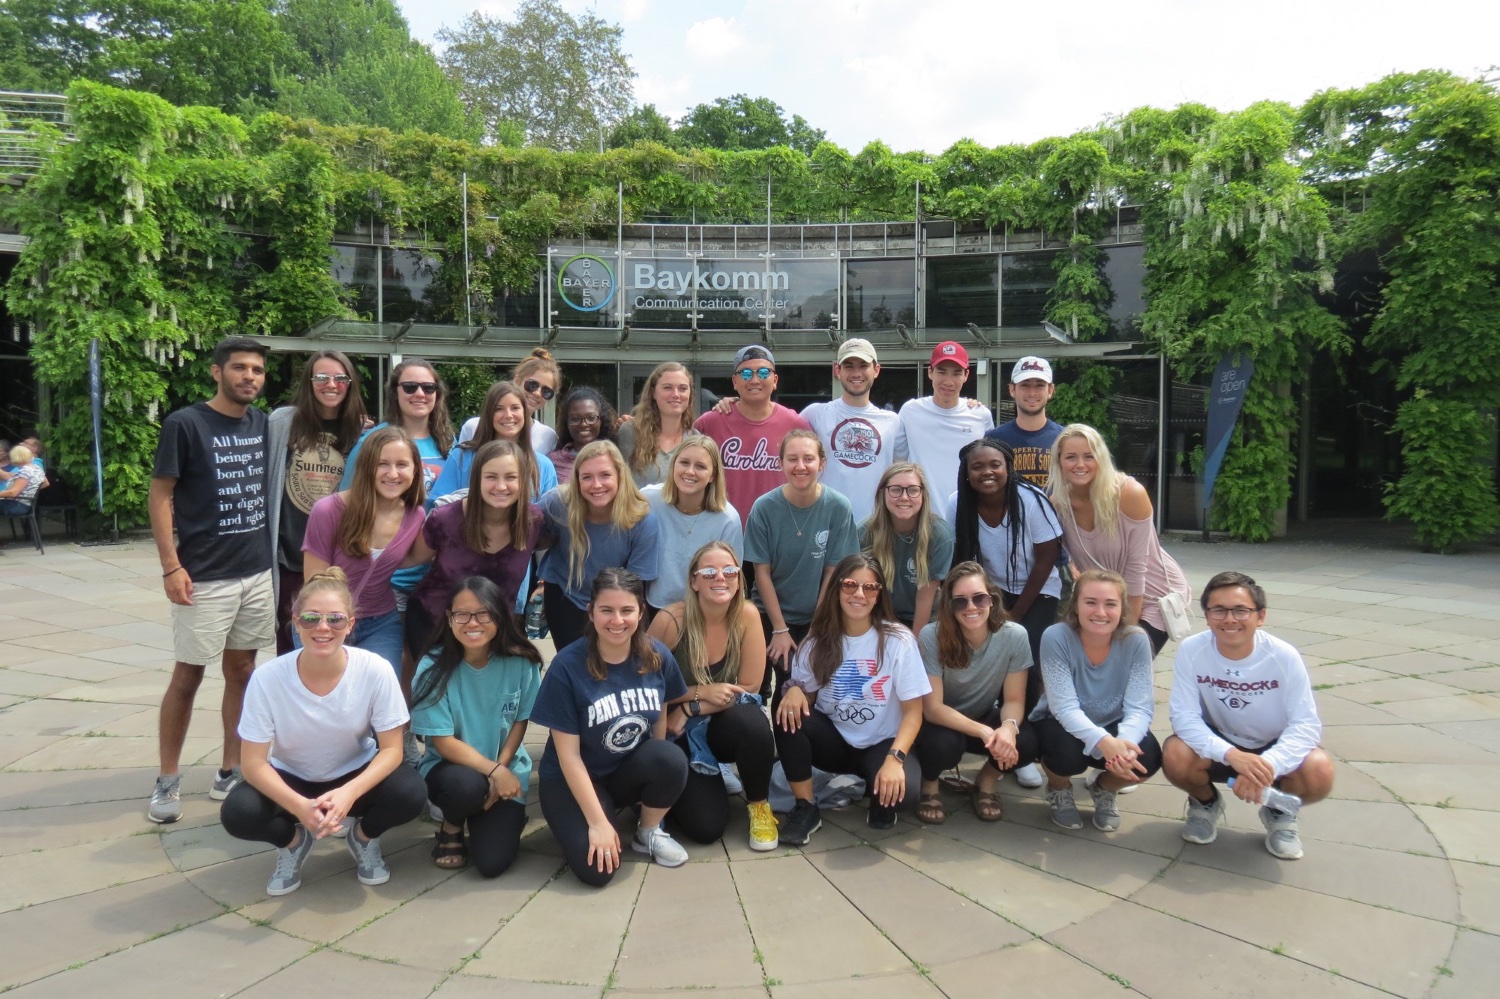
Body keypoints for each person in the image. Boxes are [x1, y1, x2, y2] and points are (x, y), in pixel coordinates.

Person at [219, 567, 425, 895]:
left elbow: (392, 750)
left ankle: (363, 837)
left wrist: (349, 793)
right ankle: (293, 842)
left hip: (354, 771)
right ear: (295, 622)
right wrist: (300, 806)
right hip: (293, 775)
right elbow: (254, 763)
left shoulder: (375, 669)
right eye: (311, 618)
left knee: (410, 793)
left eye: (336, 619)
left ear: (351, 624)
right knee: (238, 813)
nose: (323, 627)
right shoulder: (268, 678)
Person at [147, 336, 275, 824]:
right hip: (204, 575)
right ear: (217, 372)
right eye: (239, 367)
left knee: (242, 671)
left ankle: (230, 769)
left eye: (257, 370)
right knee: (188, 675)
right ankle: (167, 778)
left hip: (256, 571)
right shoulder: (185, 424)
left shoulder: (262, 423)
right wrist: (171, 564)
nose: (249, 377)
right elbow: (161, 495)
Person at [532, 568, 691, 886]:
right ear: (591, 612)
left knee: (668, 757)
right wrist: (597, 823)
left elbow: (659, 717)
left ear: (641, 612)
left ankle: (648, 832)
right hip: (571, 779)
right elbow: (568, 757)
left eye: (626, 610)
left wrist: (654, 781)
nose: (617, 620)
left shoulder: (656, 655)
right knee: (598, 872)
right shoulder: (567, 667)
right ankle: (596, 816)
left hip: (621, 772)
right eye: (606, 610)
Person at [1165, 571, 1334, 860]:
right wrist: (1232, 755)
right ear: (1207, 615)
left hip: (1272, 745)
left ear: (1261, 616)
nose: (1230, 619)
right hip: (1222, 742)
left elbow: (1305, 724)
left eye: (1241, 610)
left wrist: (1267, 765)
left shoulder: (1284, 656)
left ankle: (1279, 813)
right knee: (1175, 754)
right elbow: (1184, 717)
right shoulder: (1192, 650)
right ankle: (1205, 803)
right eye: (1219, 610)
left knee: (1319, 770)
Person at [774, 554, 930, 843]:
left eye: (869, 587)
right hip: (834, 742)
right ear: (836, 590)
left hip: (880, 744)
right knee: (787, 713)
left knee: (906, 794)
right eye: (849, 585)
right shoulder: (816, 641)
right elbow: (807, 696)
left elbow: (913, 713)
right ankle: (805, 807)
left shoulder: (898, 640)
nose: (859, 594)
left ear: (879, 595)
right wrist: (795, 690)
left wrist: (895, 760)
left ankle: (877, 789)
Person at [647, 540, 779, 852]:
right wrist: (700, 692)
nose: (720, 577)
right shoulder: (671, 621)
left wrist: (692, 707)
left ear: (739, 579)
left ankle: (759, 806)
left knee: (753, 724)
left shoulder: (747, 615)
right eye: (708, 572)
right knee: (706, 827)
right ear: (693, 581)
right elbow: (643, 689)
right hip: (674, 731)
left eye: (729, 571)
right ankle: (667, 790)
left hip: (715, 719)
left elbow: (749, 687)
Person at [411, 576, 543, 876]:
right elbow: (443, 742)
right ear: (449, 618)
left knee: (492, 863)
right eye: (462, 614)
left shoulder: (521, 661)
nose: (473, 623)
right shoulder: (432, 667)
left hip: (505, 765)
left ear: (499, 616)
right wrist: (494, 772)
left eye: (484, 614)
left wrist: (503, 769)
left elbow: (520, 720)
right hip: (453, 771)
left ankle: (505, 819)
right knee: (465, 788)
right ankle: (452, 824)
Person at [1030, 569, 1160, 833]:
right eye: (1090, 602)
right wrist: (1104, 742)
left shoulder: (1136, 640)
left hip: (1114, 722)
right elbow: (1064, 707)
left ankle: (1105, 789)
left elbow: (1139, 706)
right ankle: (1059, 788)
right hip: (1061, 722)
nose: (1100, 612)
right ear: (1076, 606)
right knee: (1066, 754)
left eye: (1110, 604)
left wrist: (1126, 744)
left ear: (1121, 608)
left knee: (1148, 757)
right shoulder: (1056, 636)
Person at [1048, 423, 1191, 657]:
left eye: (1089, 456)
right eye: (1071, 457)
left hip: (1154, 594)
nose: (1080, 464)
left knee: (1125, 662)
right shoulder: (1058, 505)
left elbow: (1137, 568)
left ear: (1101, 458)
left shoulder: (1129, 493)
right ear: (1059, 461)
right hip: (1106, 599)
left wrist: (1126, 632)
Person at [912, 562, 1037, 824]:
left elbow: (1014, 700)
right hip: (942, 722)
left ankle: (986, 782)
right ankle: (930, 784)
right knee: (940, 745)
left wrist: (1008, 728)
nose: (971, 607)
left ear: (992, 599)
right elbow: (932, 709)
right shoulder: (931, 635)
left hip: (983, 714)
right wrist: (985, 732)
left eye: (979, 598)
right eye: (960, 601)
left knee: (1026, 741)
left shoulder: (1014, 636)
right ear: (949, 605)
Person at [300, 427, 426, 676]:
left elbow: (412, 556)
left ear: (415, 470)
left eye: (402, 464)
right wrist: (333, 623)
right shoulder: (328, 510)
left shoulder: (415, 515)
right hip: (326, 620)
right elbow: (314, 583)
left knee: (382, 687)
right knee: (327, 690)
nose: (393, 473)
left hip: (380, 621)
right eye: (382, 464)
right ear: (367, 466)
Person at [266, 350, 368, 654]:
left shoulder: (360, 431)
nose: (331, 384)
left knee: (334, 641)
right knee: (291, 642)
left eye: (340, 378)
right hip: (289, 557)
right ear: (309, 382)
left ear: (350, 384)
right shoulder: (283, 422)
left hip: (337, 559)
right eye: (321, 377)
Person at [404, 440, 548, 655]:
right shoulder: (445, 519)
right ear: (477, 479)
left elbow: (557, 551)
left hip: (494, 631)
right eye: (491, 477)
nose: (501, 486)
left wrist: (543, 584)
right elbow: (410, 558)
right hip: (436, 627)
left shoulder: (533, 521)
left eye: (511, 477)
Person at [744, 430, 860, 681]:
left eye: (808, 459)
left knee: (811, 678)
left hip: (817, 611)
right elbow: (761, 573)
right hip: (771, 610)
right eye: (792, 459)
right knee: (775, 675)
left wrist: (816, 630)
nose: (800, 466)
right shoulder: (763, 508)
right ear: (780, 463)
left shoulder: (838, 507)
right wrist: (779, 629)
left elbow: (833, 571)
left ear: (822, 463)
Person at [537, 441, 660, 649]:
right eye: (587, 477)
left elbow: (635, 584)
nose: (596, 485)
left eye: (605, 475)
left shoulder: (642, 518)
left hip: (617, 599)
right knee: (572, 662)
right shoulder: (558, 503)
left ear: (620, 476)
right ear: (576, 480)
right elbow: (524, 532)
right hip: (566, 595)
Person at [693, 345, 811, 529]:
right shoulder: (710, 422)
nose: (755, 380)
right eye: (746, 374)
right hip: (720, 531)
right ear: (735, 381)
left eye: (763, 373)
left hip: (777, 530)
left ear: (775, 380)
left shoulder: (796, 425)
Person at [797, 338, 901, 525]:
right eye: (849, 366)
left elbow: (904, 473)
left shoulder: (892, 421)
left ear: (876, 370)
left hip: (876, 528)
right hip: (825, 525)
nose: (856, 373)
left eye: (863, 366)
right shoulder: (815, 414)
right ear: (837, 370)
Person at [640, 435, 743, 612]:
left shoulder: (728, 520)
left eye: (700, 466)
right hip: (653, 607)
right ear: (673, 465)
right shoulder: (649, 499)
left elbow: (731, 579)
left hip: (703, 611)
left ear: (713, 475)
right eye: (684, 463)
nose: (690, 471)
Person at [860, 462, 953, 635]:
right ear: (882, 493)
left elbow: (925, 597)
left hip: (926, 620)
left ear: (923, 494)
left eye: (913, 490)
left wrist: (914, 643)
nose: (904, 497)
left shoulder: (940, 535)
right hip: (878, 617)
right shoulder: (864, 533)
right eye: (896, 490)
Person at [893, 341, 993, 501]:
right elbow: (899, 462)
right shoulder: (910, 411)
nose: (948, 381)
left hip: (967, 511)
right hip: (923, 513)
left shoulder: (980, 414)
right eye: (942, 372)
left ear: (966, 375)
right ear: (930, 372)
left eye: (956, 373)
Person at [432, 381, 558, 504]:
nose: (508, 415)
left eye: (515, 408)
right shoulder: (461, 457)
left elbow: (549, 514)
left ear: (524, 413)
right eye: (499, 409)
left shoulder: (543, 466)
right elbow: (438, 507)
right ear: (488, 414)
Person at [340, 358, 452, 495]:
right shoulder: (369, 442)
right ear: (394, 393)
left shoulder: (449, 442)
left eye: (428, 387)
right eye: (409, 387)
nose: (420, 394)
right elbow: (347, 499)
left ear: (437, 393)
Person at [458, 348, 562, 455]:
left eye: (546, 391)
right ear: (517, 380)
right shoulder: (473, 427)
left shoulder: (547, 436)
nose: (537, 393)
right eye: (532, 385)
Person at [985, 356, 1063, 489]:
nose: (1032, 393)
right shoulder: (994, 439)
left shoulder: (1064, 438)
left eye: (1039, 385)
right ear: (1012, 389)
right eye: (1025, 385)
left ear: (1050, 390)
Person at [617, 361, 694, 487]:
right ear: (653, 392)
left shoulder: (695, 440)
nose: (676, 394)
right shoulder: (631, 432)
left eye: (683, 388)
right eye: (667, 387)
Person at [548, 386, 616, 483]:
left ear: (602, 420)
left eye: (591, 418)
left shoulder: (614, 457)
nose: (584, 424)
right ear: (567, 423)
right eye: (575, 419)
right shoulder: (553, 462)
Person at [0, 444, 44, 515]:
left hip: (15, 506)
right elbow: (45, 483)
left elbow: (13, 493)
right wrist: (29, 490)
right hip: (25, 505)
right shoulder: (37, 468)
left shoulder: (24, 472)